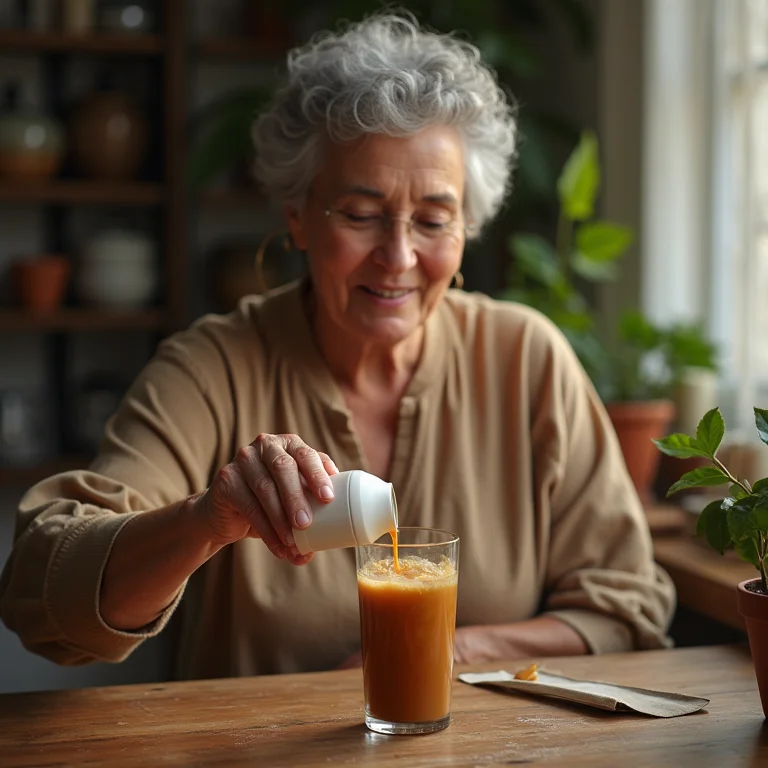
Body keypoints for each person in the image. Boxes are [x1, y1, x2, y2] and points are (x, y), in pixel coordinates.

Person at [0, 14, 674, 679]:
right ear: (296, 214)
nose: (399, 256)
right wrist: (207, 519)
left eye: (434, 220)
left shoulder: (526, 360)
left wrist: (453, 651)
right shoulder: (214, 369)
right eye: (360, 214)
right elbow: (44, 593)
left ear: (467, 227)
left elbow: (627, 606)